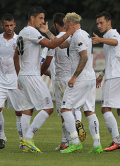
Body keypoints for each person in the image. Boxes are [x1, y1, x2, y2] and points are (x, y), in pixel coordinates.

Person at [13, 6, 75, 153]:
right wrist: (69, 33)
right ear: (32, 18)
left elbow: (15, 56)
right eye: (40, 18)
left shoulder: (22, 32)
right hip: (32, 75)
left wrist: (18, 75)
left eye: (43, 18)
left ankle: (24, 145)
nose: (42, 21)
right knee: (48, 108)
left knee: (27, 109)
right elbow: (52, 44)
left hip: (24, 75)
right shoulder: (31, 31)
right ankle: (28, 138)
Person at [50, 12, 102, 153]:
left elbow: (83, 57)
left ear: (70, 24)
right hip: (90, 77)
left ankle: (74, 142)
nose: (64, 26)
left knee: (65, 109)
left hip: (81, 78)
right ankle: (97, 144)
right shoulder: (82, 34)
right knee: (89, 111)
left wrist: (74, 77)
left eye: (65, 24)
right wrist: (47, 33)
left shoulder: (78, 36)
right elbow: (61, 45)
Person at [40, 13, 85, 151]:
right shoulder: (76, 36)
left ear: (56, 25)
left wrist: (39, 73)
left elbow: (47, 61)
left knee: (63, 113)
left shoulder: (56, 40)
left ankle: (67, 141)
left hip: (60, 79)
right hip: (74, 78)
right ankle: (78, 121)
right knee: (74, 108)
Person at [92, 11, 120, 152]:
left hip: (115, 77)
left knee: (105, 108)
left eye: (101, 22)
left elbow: (115, 41)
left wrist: (101, 40)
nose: (99, 25)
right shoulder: (110, 35)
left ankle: (116, 141)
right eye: (97, 23)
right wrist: (102, 74)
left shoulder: (111, 34)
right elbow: (113, 58)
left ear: (109, 22)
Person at [0, 14, 23, 149]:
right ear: (2, 26)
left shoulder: (19, 39)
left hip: (15, 80)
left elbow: (23, 60)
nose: (9, 28)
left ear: (15, 25)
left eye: (11, 25)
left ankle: (22, 140)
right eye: (6, 25)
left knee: (19, 112)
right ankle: (1, 137)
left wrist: (22, 78)